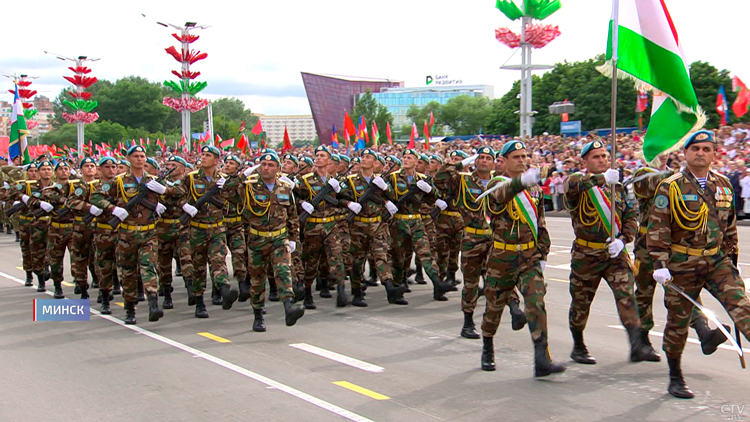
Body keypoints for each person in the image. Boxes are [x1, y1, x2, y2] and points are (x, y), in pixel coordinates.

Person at [648, 130, 750, 399]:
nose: (701, 153)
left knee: (743, 308)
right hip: (682, 263)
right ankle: (675, 376)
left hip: (717, 261)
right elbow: (658, 228)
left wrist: (733, 259)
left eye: (706, 149)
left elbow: (729, 226)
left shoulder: (724, 184)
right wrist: (660, 263)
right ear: (686, 153)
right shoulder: (670, 186)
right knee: (678, 324)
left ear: (714, 153)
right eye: (696, 149)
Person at [564, 140, 656, 364]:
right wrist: (603, 179)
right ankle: (578, 345)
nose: (602, 160)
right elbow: (574, 186)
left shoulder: (617, 187)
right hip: (586, 255)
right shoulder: (577, 182)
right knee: (581, 303)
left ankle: (637, 346)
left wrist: (624, 240)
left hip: (614, 256)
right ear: (585, 161)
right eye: (596, 157)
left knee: (627, 297)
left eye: (604, 156)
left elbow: (630, 216)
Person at [480, 141, 565, 377]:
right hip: (502, 256)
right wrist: (522, 182)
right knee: (494, 308)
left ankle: (542, 358)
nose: (521, 160)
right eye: (516, 156)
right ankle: (487, 346)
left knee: (536, 302)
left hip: (528, 256)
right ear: (503, 161)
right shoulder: (497, 184)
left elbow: (541, 224)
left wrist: (544, 254)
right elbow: (499, 198)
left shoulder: (534, 189)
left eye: (524, 156)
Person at [91, 145, 166, 324]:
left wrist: (164, 192)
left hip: (149, 232)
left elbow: (178, 193)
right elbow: (96, 197)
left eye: (142, 156)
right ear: (129, 159)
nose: (140, 159)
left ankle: (153, 301)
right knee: (128, 273)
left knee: (148, 266)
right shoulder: (118, 181)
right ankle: (130, 309)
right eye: (136, 156)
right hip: (126, 235)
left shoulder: (154, 180)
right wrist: (114, 209)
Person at [242, 152, 305, 331]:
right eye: (263, 165)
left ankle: (289, 307)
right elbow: (229, 190)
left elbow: (292, 215)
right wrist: (245, 173)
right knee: (257, 279)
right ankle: (258, 314)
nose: (266, 168)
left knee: (283, 272)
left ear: (278, 168)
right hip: (257, 238)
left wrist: (293, 239)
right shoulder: (249, 186)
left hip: (279, 238)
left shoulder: (285, 187)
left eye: (270, 165)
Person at [177, 145, 239, 318]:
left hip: (217, 228)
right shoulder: (190, 178)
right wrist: (185, 206)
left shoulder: (224, 179)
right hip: (196, 229)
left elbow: (236, 199)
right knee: (198, 267)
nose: (203, 157)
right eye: (202, 154)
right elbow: (178, 195)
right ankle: (199, 302)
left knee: (218, 260)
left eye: (208, 155)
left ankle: (225, 289)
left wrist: (226, 187)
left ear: (216, 160)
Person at [386, 149, 453, 301]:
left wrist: (429, 190)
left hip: (416, 220)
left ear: (416, 162)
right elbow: (383, 195)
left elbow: (435, 196)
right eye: (404, 157)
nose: (405, 160)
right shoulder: (393, 177)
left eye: (409, 158)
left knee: (425, 252)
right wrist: (388, 202)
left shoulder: (422, 179)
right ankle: (397, 289)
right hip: (398, 220)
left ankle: (437, 282)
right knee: (398, 257)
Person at [340, 149, 402, 305]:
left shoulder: (381, 181)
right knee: (357, 260)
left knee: (381, 255)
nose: (364, 159)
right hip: (358, 225)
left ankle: (389, 287)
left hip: (377, 224)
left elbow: (394, 197)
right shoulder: (351, 180)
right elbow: (339, 197)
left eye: (368, 157)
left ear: (375, 163)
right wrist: (349, 204)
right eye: (362, 157)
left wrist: (386, 189)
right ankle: (356, 292)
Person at [294, 145, 351, 309]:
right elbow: (294, 199)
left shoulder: (336, 181)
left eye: (322, 156)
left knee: (336, 257)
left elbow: (345, 198)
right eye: (317, 155)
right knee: (311, 261)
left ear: (329, 160)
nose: (318, 158)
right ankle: (307, 293)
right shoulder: (305, 180)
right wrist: (303, 204)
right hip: (313, 226)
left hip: (331, 225)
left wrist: (339, 189)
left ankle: (341, 290)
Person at [26, 161, 75, 299]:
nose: (64, 171)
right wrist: (41, 203)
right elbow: (32, 200)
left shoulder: (77, 187)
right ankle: (57, 286)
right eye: (60, 169)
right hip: (55, 228)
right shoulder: (49, 189)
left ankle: (81, 284)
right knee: (55, 260)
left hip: (73, 228)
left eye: (66, 169)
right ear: (56, 172)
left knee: (77, 259)